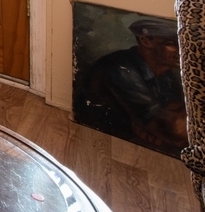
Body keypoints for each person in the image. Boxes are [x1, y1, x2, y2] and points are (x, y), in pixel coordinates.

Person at [76, 17, 187, 154]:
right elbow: (173, 130)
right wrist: (165, 125)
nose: (182, 50)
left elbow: (176, 121)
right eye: (171, 43)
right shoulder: (121, 69)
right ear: (145, 41)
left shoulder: (167, 75)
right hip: (105, 142)